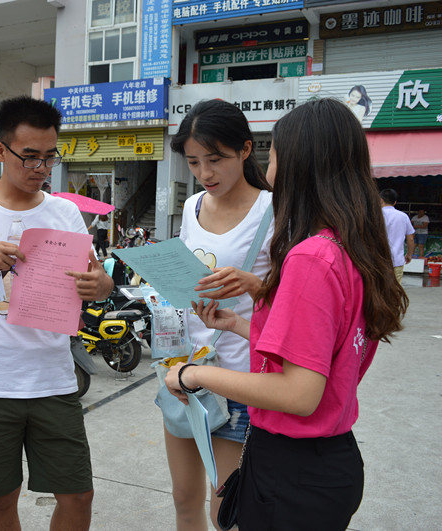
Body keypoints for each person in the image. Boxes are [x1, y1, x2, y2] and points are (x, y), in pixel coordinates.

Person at [166, 98, 408, 530]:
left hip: (292, 462)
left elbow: (300, 392)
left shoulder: (311, 257)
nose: (269, 168)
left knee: (222, 512)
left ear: (299, 163)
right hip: (327, 457)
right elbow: (316, 349)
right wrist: (241, 323)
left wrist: (195, 376)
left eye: (273, 154)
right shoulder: (347, 249)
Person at [0, 95, 114, 531]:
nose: (41, 169)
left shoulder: (64, 212)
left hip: (52, 381)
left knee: (78, 494)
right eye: (29, 157)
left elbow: (98, 279)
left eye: (49, 157)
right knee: (0, 500)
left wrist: (98, 285)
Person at [163, 99, 273, 531]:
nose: (205, 173)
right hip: (186, 371)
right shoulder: (191, 208)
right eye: (193, 161)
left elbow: (297, 301)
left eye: (215, 159)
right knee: (184, 499)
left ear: (245, 150)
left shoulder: (274, 210)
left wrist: (254, 285)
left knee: (223, 510)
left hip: (240, 376)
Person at [380, 188, 415, 283]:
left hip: (378, 261)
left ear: (381, 200)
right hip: (397, 261)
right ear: (395, 202)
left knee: (379, 291)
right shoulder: (403, 216)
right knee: (395, 291)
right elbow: (411, 238)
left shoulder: (375, 216)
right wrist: (409, 254)